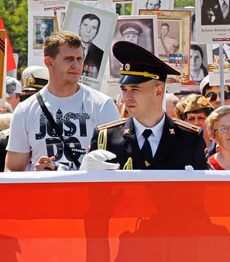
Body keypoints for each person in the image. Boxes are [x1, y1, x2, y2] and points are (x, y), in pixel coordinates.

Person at [83, 41, 207, 170]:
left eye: (135, 89)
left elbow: (203, 189)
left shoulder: (189, 138)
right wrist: (86, 172)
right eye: (124, 89)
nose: (127, 97)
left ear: (158, 91)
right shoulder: (106, 137)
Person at [5, 32, 120, 171]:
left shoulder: (102, 105)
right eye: (68, 59)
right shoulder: (25, 110)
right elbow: (13, 170)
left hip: (89, 192)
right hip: (44, 192)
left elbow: (117, 164)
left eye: (79, 58)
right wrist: (36, 174)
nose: (76, 65)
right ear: (49, 62)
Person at [79, 13, 104, 79]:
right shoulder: (66, 48)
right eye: (85, 25)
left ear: (97, 31)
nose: (88, 31)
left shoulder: (101, 55)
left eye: (93, 28)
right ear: (79, 26)